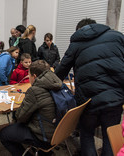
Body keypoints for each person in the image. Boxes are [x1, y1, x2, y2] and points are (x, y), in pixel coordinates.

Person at [55, 18, 124, 156]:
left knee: (87, 135)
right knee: (109, 137)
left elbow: (60, 72)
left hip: (88, 100)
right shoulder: (117, 36)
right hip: (114, 99)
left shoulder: (76, 44)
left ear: (79, 30)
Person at [0, 60, 62, 156]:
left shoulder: (35, 91)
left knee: (4, 133)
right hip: (60, 131)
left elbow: (20, 117)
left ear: (34, 77)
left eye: (29, 75)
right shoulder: (59, 84)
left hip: (44, 137)